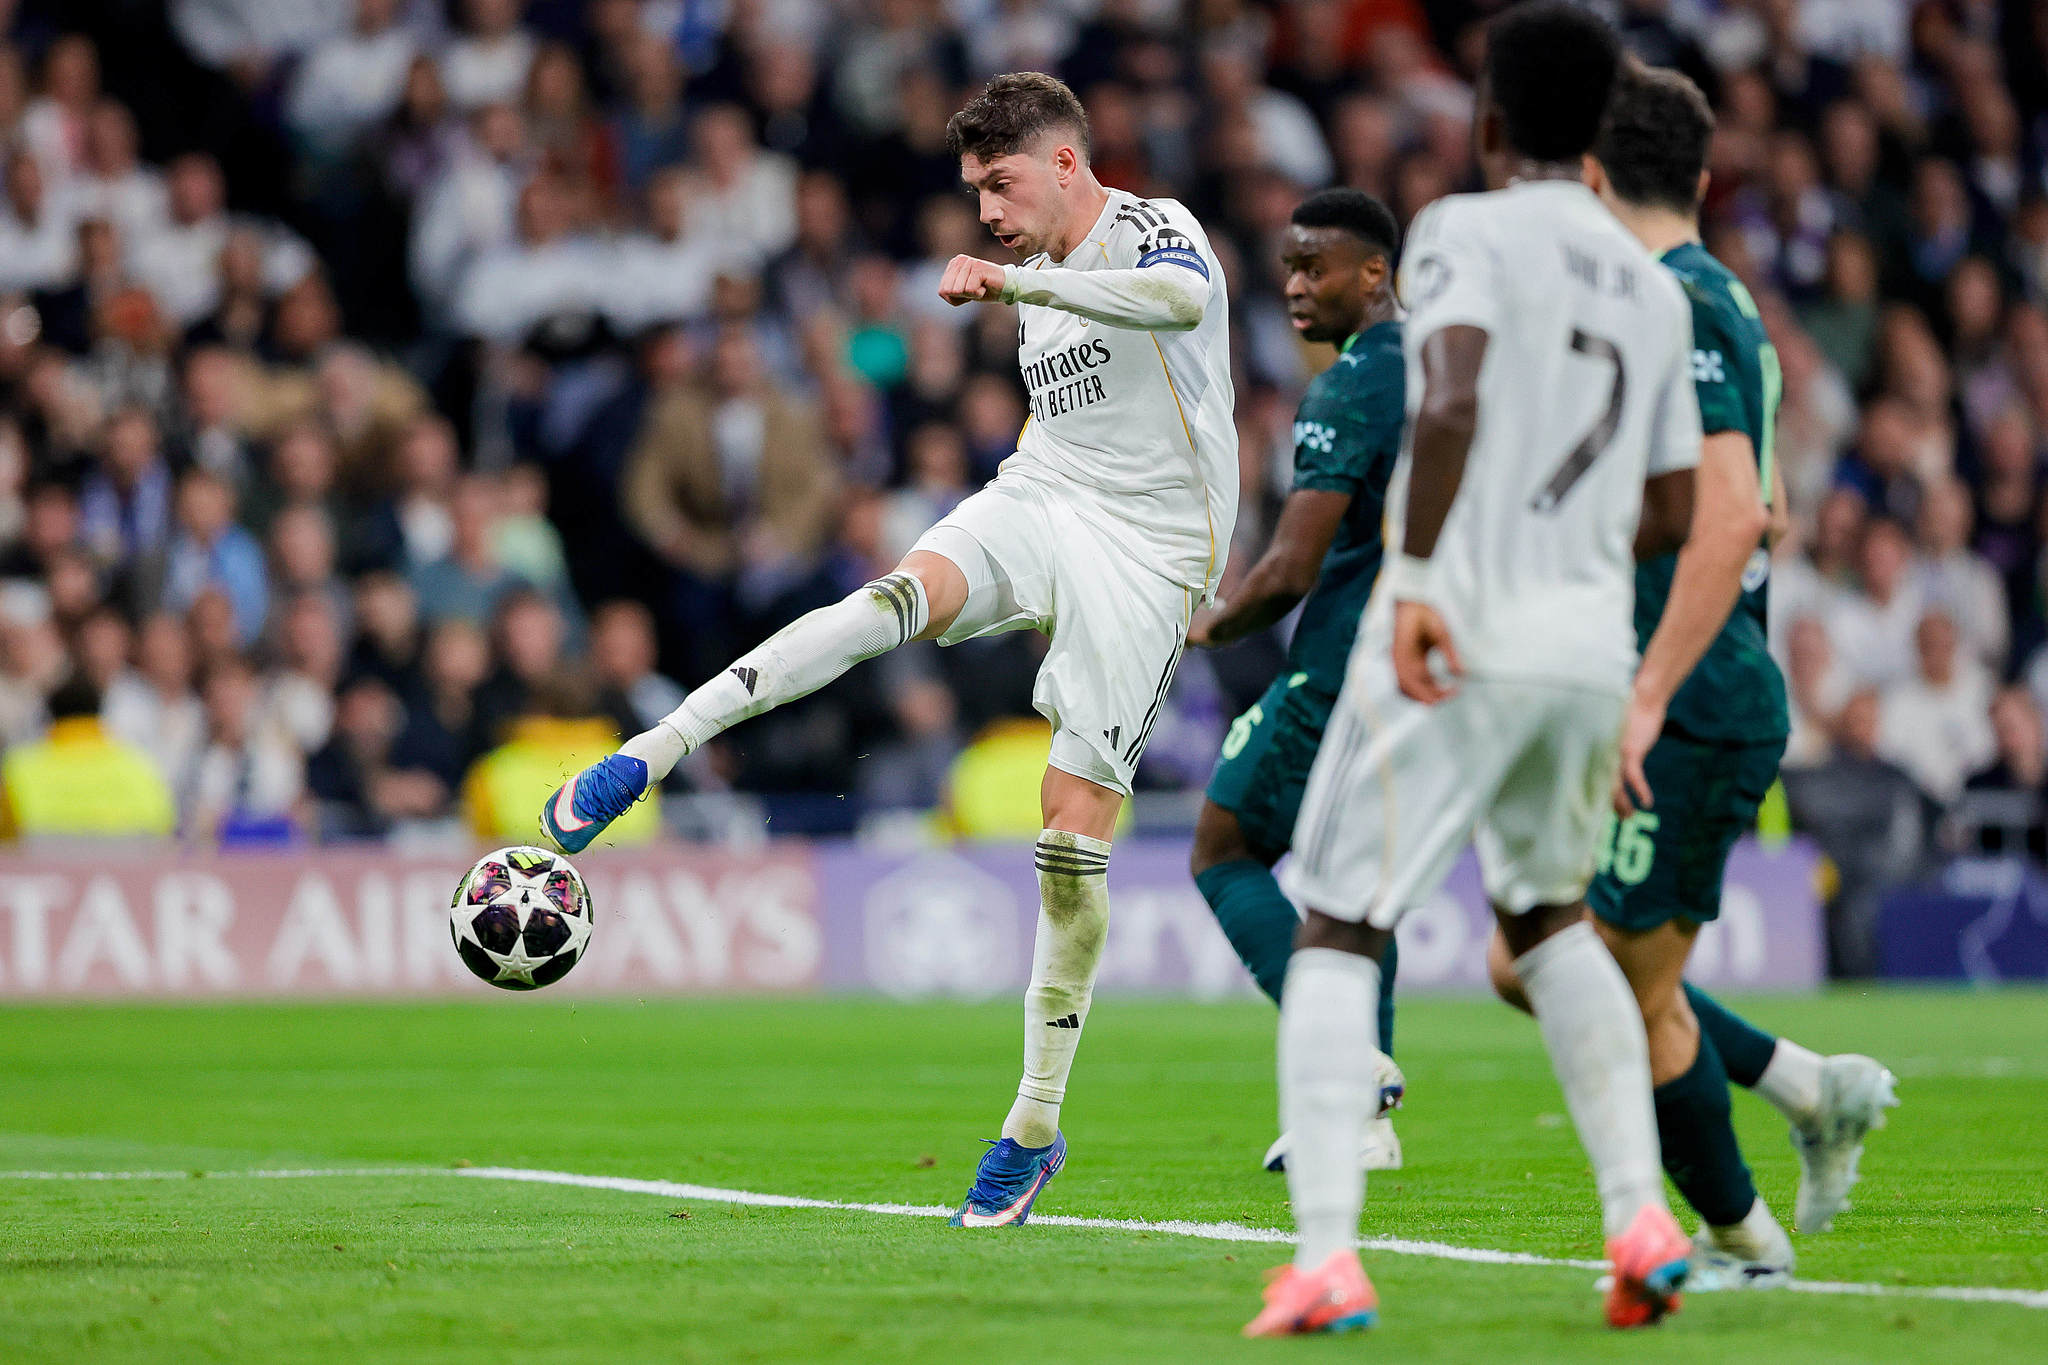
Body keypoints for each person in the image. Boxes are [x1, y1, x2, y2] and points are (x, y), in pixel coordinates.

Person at [541, 72, 1236, 1229]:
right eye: (974, 194)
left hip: (1153, 552)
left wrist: (1017, 278)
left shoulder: (1148, 228)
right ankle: (650, 752)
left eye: (999, 186)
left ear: (1064, 162)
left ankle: (1032, 1125)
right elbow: (1072, 417)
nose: (986, 215)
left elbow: (1175, 302)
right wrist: (1024, 307)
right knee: (890, 598)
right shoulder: (1032, 278)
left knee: (1069, 851)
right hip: (1047, 493)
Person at [1245, 5, 1692, 1335]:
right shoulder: (1653, 287)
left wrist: (1427, 580)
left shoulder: (1465, 234)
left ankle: (1326, 1254)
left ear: (1489, 123)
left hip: (1460, 627)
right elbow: (1672, 506)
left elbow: (1446, 397)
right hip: (1585, 648)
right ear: (1607, 133)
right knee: (1551, 916)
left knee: (1336, 919)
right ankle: (1639, 1218)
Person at [1484, 63, 1897, 1291]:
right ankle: (1801, 1091)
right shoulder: (1712, 301)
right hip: (1682, 683)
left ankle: (1742, 1240)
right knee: (1551, 962)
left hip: (1686, 702)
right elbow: (1763, 505)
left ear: (1593, 177)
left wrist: (1647, 687)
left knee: (1608, 981)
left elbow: (1732, 521)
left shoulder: (1673, 304)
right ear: (1705, 178)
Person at [1186, 187, 1405, 1175]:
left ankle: (1350, 1064)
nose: (1292, 285)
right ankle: (1366, 1121)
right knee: (1356, 886)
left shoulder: (1351, 388)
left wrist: (1206, 626)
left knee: (1221, 846)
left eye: (1314, 266)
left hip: (1340, 668)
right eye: (1287, 266)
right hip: (1431, 672)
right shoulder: (1448, 370)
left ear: (1375, 275)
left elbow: (1288, 568)